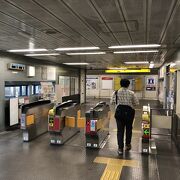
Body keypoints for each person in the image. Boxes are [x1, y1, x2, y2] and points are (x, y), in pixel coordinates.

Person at [111, 79, 139, 155]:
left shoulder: (116, 92)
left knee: (120, 130)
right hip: (129, 113)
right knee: (129, 129)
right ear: (128, 85)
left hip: (119, 113)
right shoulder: (131, 93)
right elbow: (136, 103)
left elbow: (112, 102)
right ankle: (128, 145)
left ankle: (120, 148)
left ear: (120, 84)